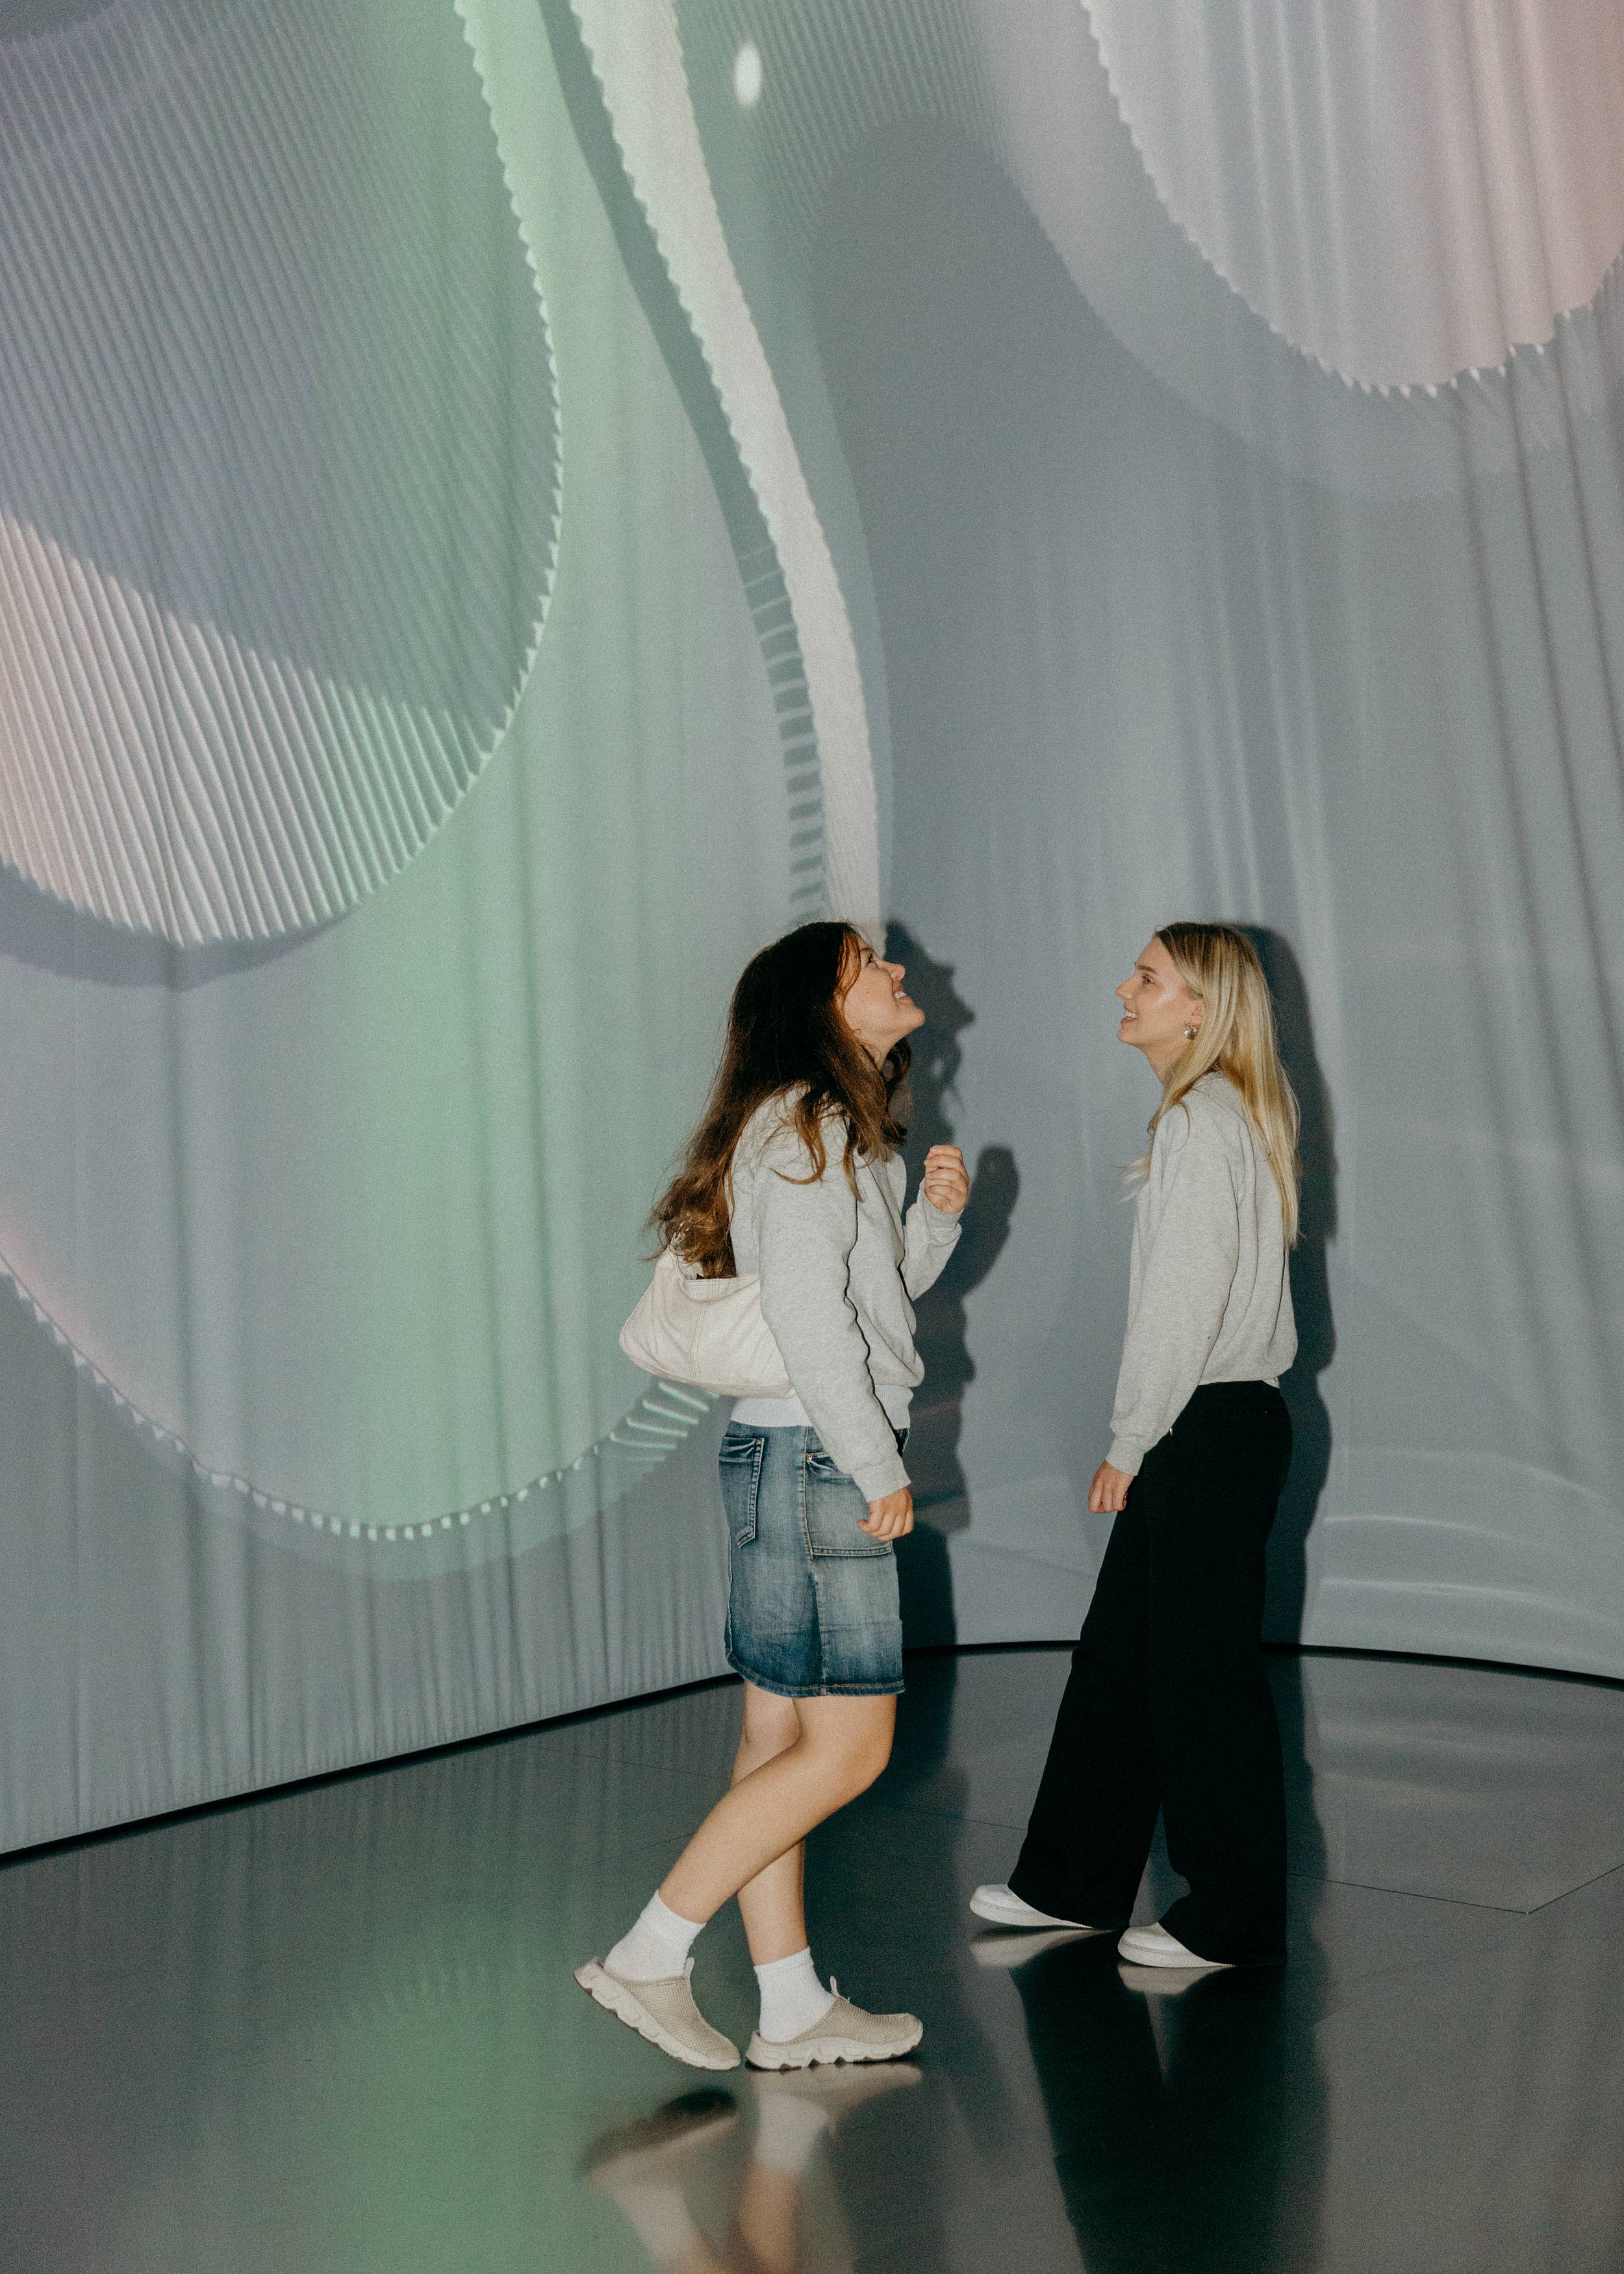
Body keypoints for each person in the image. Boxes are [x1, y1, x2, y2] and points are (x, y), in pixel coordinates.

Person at [577, 920, 971, 2067]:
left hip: (782, 1452)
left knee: (776, 1737)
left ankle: (790, 2004)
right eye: (869, 966)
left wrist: (934, 1222)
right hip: (817, 1459)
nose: (898, 970)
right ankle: (652, 1955)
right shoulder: (812, 1122)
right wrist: (875, 1463)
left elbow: (867, 1301)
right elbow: (807, 1320)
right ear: (822, 1006)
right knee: (847, 1753)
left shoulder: (827, 1125)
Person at [972, 923, 1299, 1969]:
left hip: (1205, 1424)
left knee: (1201, 1679)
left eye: (1148, 977)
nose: (1125, 987)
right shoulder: (1217, 1112)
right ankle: (1070, 1883)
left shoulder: (1203, 1119)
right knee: (1123, 1659)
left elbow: (1179, 1309)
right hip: (1213, 1426)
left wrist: (1131, 1438)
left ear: (1199, 1008)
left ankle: (1233, 1915)